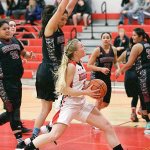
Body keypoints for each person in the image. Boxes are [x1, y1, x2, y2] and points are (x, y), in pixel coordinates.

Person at [22, 38, 124, 150]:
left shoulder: (80, 63)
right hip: (68, 105)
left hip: (80, 103)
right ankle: (28, 147)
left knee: (107, 126)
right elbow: (65, 90)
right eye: (81, 46)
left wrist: (91, 86)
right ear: (75, 52)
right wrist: (86, 92)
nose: (84, 48)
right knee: (54, 135)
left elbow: (79, 84)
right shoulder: (71, 66)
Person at [25, 0, 79, 145]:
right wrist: (63, 7)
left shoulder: (58, 27)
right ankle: (36, 136)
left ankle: (43, 131)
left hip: (56, 72)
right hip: (49, 72)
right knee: (53, 105)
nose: (64, 20)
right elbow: (62, 7)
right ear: (54, 16)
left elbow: (68, 7)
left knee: (55, 105)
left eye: (66, 18)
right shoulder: (50, 27)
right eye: (61, 17)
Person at [0, 19, 33, 149]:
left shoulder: (15, 40)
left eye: (9, 28)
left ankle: (19, 135)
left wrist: (28, 55)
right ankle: (19, 139)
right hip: (4, 82)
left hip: (16, 80)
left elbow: (23, 53)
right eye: (4, 29)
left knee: (14, 109)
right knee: (11, 110)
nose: (8, 30)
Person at [116, 28, 150, 135]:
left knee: (146, 99)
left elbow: (129, 63)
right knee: (144, 98)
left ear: (140, 36)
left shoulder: (137, 46)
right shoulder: (148, 44)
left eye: (135, 35)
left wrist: (120, 70)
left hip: (144, 74)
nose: (132, 37)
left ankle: (149, 123)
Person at [87, 32, 120, 110]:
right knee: (99, 100)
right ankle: (95, 117)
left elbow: (115, 61)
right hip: (97, 76)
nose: (106, 39)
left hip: (107, 77)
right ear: (101, 39)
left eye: (107, 37)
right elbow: (89, 65)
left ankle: (93, 112)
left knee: (106, 103)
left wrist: (118, 68)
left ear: (110, 39)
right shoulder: (97, 50)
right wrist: (101, 69)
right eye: (104, 37)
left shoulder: (114, 49)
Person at [117, 38, 147, 122]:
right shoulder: (141, 50)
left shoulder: (126, 52)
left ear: (130, 44)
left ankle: (133, 113)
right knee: (142, 94)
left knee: (134, 96)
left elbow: (116, 61)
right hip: (138, 75)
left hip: (128, 76)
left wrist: (120, 68)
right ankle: (142, 110)